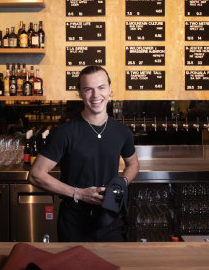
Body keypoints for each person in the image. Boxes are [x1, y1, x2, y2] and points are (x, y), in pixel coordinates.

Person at [28, 65, 140, 241]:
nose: (96, 95)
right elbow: (35, 175)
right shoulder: (65, 133)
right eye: (88, 89)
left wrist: (122, 182)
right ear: (79, 93)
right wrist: (78, 193)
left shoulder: (122, 132)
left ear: (110, 89)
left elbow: (133, 164)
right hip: (75, 224)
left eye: (101, 87)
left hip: (111, 220)